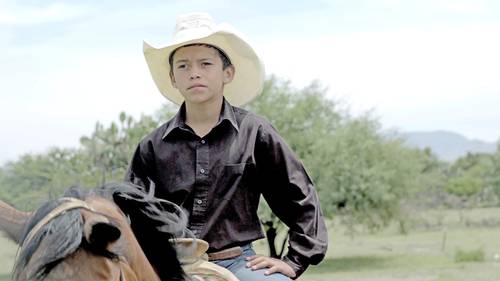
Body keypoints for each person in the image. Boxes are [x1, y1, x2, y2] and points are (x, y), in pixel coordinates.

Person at [124, 12, 328, 281]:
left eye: (206, 63)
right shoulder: (152, 146)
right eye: (183, 66)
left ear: (227, 73)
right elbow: (133, 213)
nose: (194, 73)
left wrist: (294, 261)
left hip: (239, 263)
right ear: (173, 78)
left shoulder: (255, 132)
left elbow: (298, 194)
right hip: (168, 266)